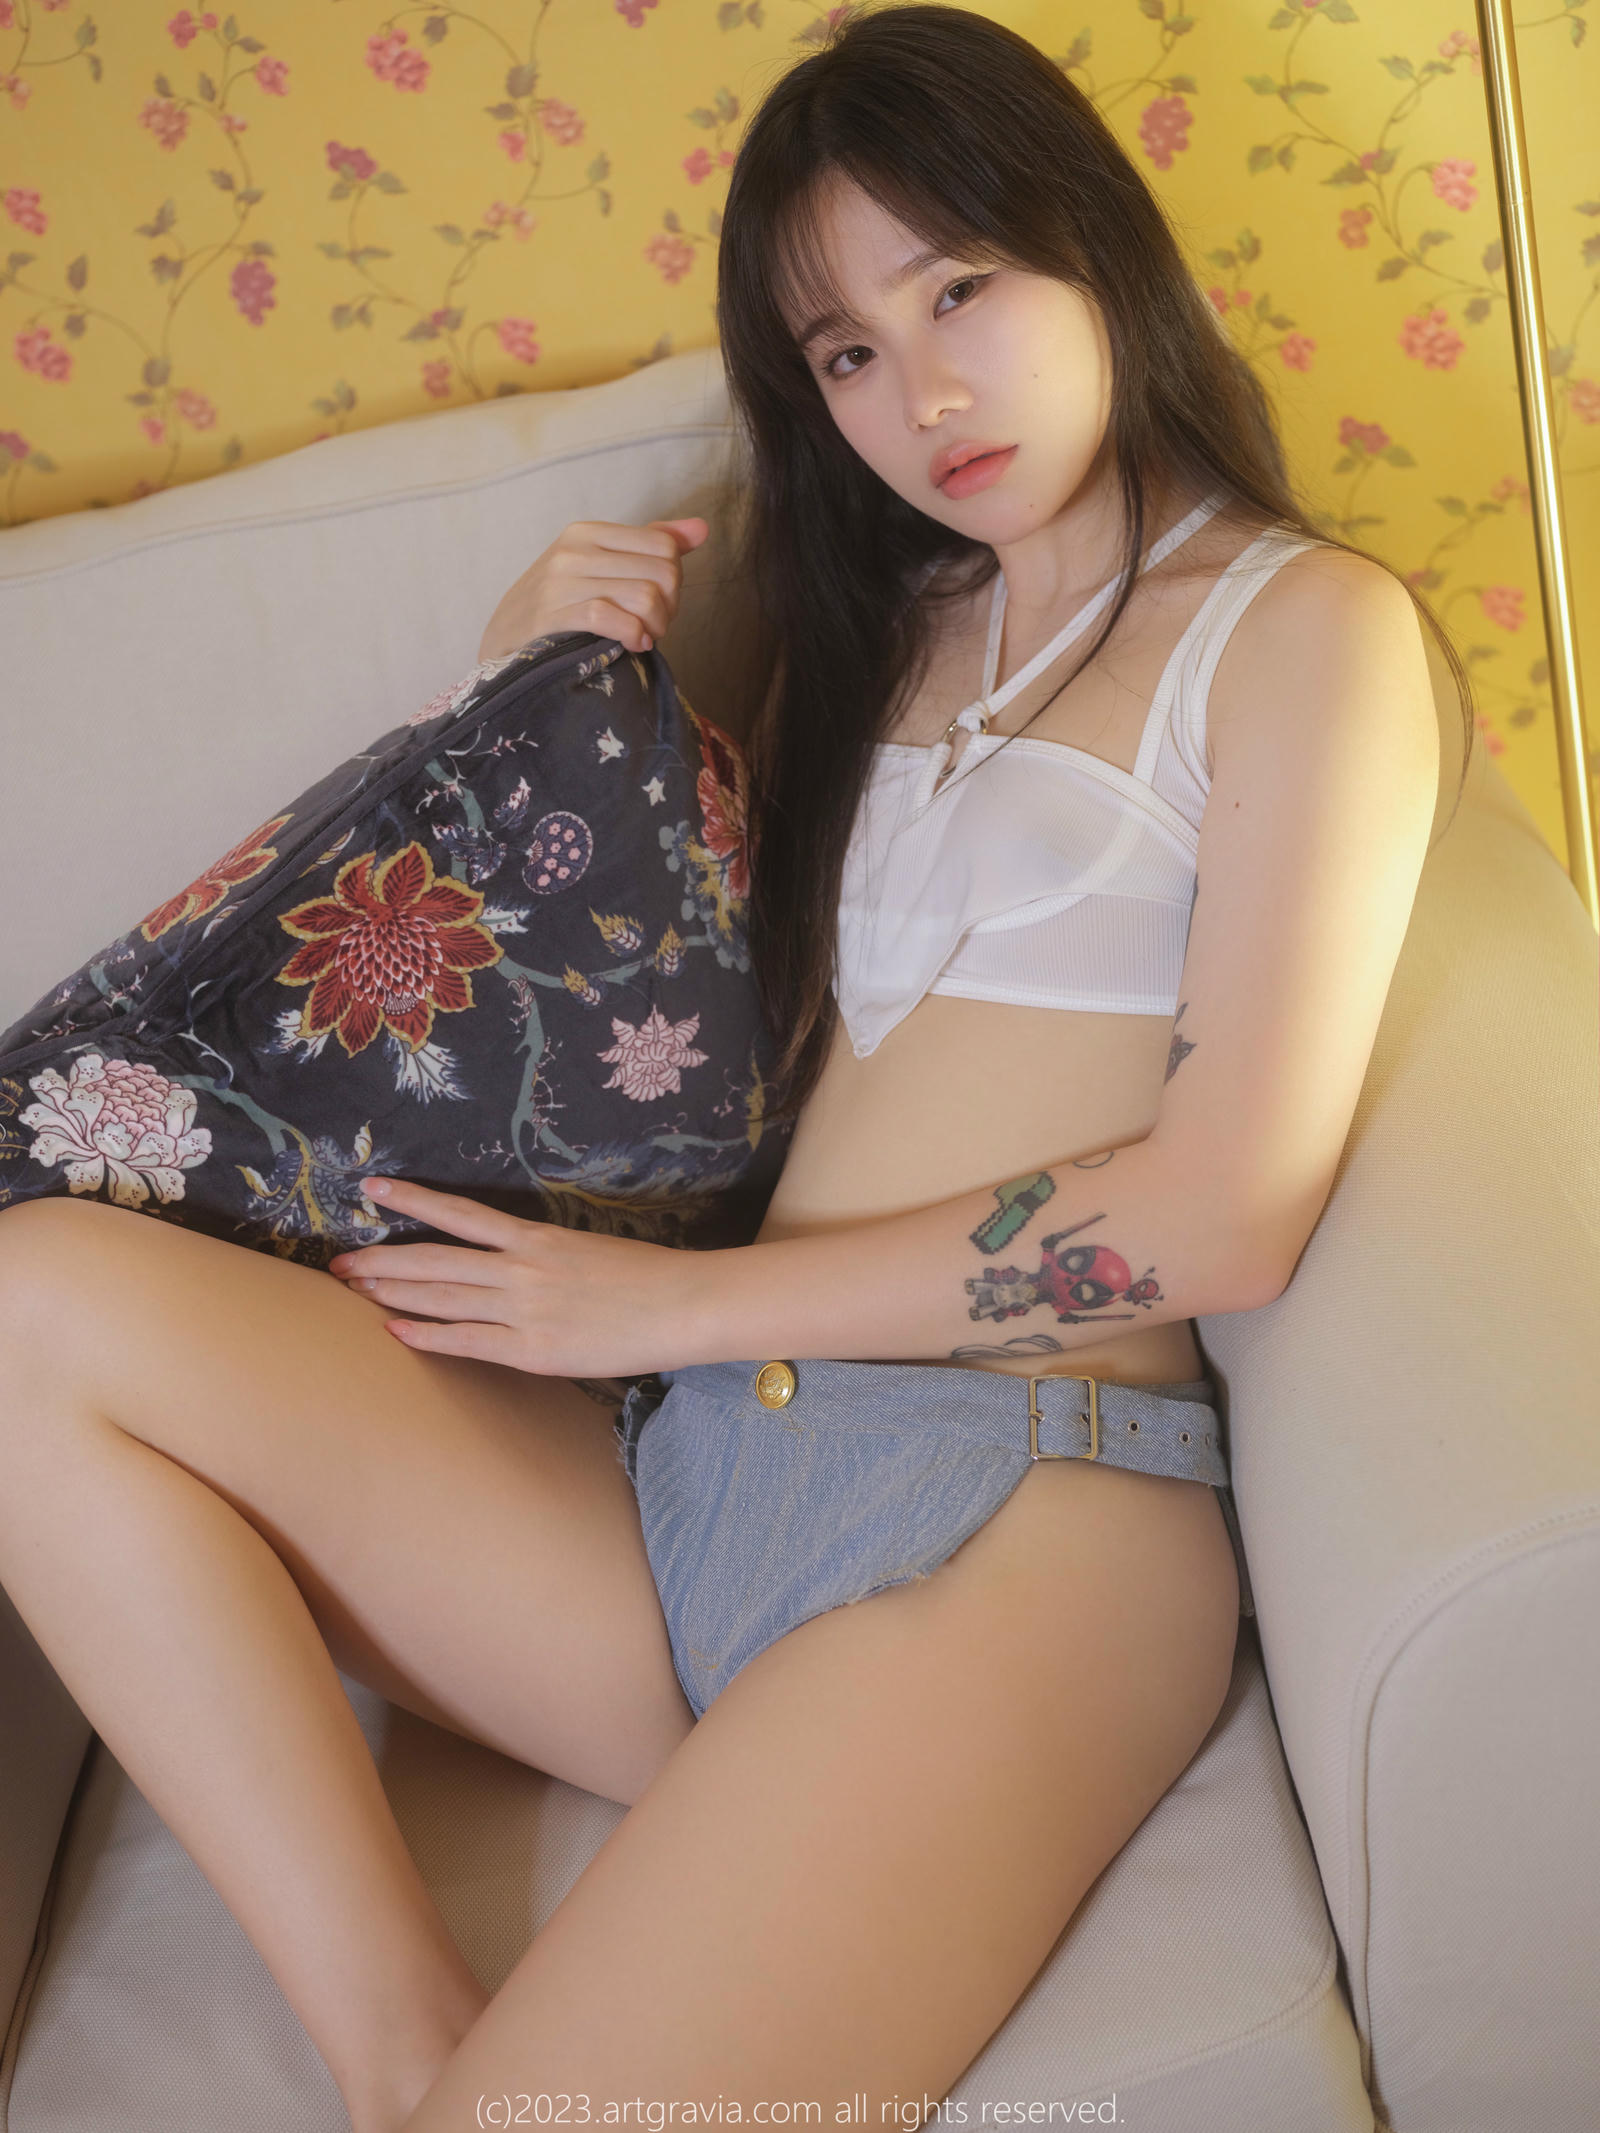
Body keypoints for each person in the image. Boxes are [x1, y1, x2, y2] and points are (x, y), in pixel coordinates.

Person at [0, 6, 1468, 2128]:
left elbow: (1220, 1210)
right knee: (29, 1297)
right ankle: (399, 2041)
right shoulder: (871, 633)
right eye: (845, 350)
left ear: (1096, 248)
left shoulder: (1301, 628)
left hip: (1022, 1505)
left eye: (957, 288)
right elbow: (630, 1028)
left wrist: (659, 1310)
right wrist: (520, 676)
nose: (920, 392)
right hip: (678, 1473)